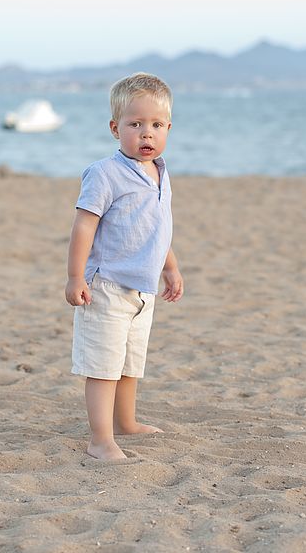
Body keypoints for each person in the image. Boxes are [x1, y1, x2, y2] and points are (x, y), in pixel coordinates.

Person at [65, 73, 183, 461]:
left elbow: (158, 226)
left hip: (142, 289)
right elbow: (85, 224)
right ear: (116, 128)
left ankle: (125, 423)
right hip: (107, 287)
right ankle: (100, 440)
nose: (146, 134)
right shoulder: (104, 173)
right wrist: (74, 276)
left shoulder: (160, 173)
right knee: (103, 366)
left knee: (130, 363)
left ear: (168, 127)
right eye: (135, 125)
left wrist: (170, 267)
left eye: (156, 125)